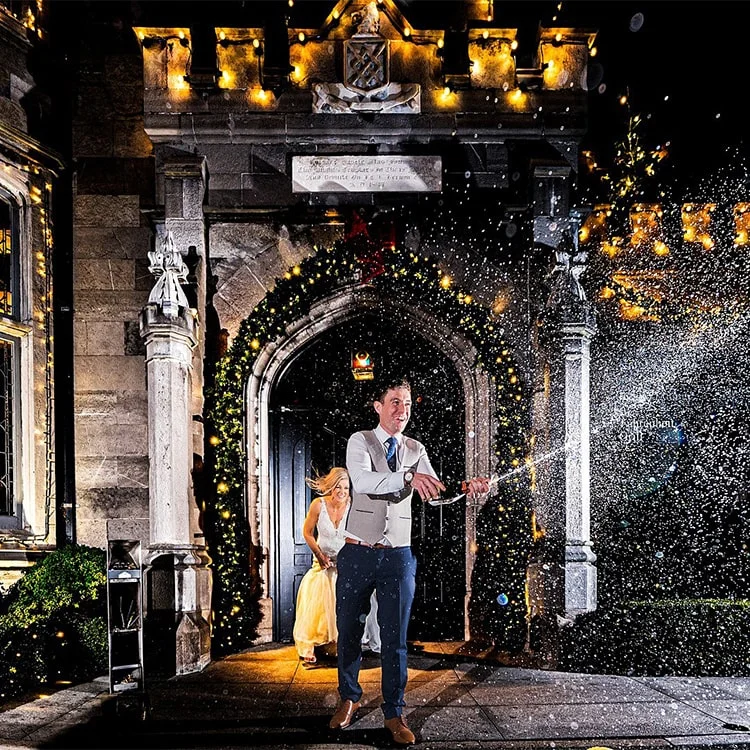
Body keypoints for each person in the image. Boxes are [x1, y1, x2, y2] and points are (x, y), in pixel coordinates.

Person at [329, 379, 489, 745]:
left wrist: (465, 488)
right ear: (378, 406)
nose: (402, 410)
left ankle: (394, 712)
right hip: (357, 553)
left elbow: (433, 496)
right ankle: (349, 699)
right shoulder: (360, 441)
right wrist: (406, 476)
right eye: (394, 403)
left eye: (407, 404)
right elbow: (364, 480)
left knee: (395, 639)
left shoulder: (417, 449)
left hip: (398, 558)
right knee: (350, 632)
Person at [293, 467, 380, 665]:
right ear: (331, 487)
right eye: (338, 487)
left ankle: (345, 644)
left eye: (346, 488)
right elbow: (307, 532)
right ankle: (310, 647)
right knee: (317, 598)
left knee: (353, 603)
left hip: (346, 564)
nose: (342, 492)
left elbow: (364, 535)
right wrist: (319, 554)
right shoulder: (318, 505)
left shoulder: (354, 507)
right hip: (322, 563)